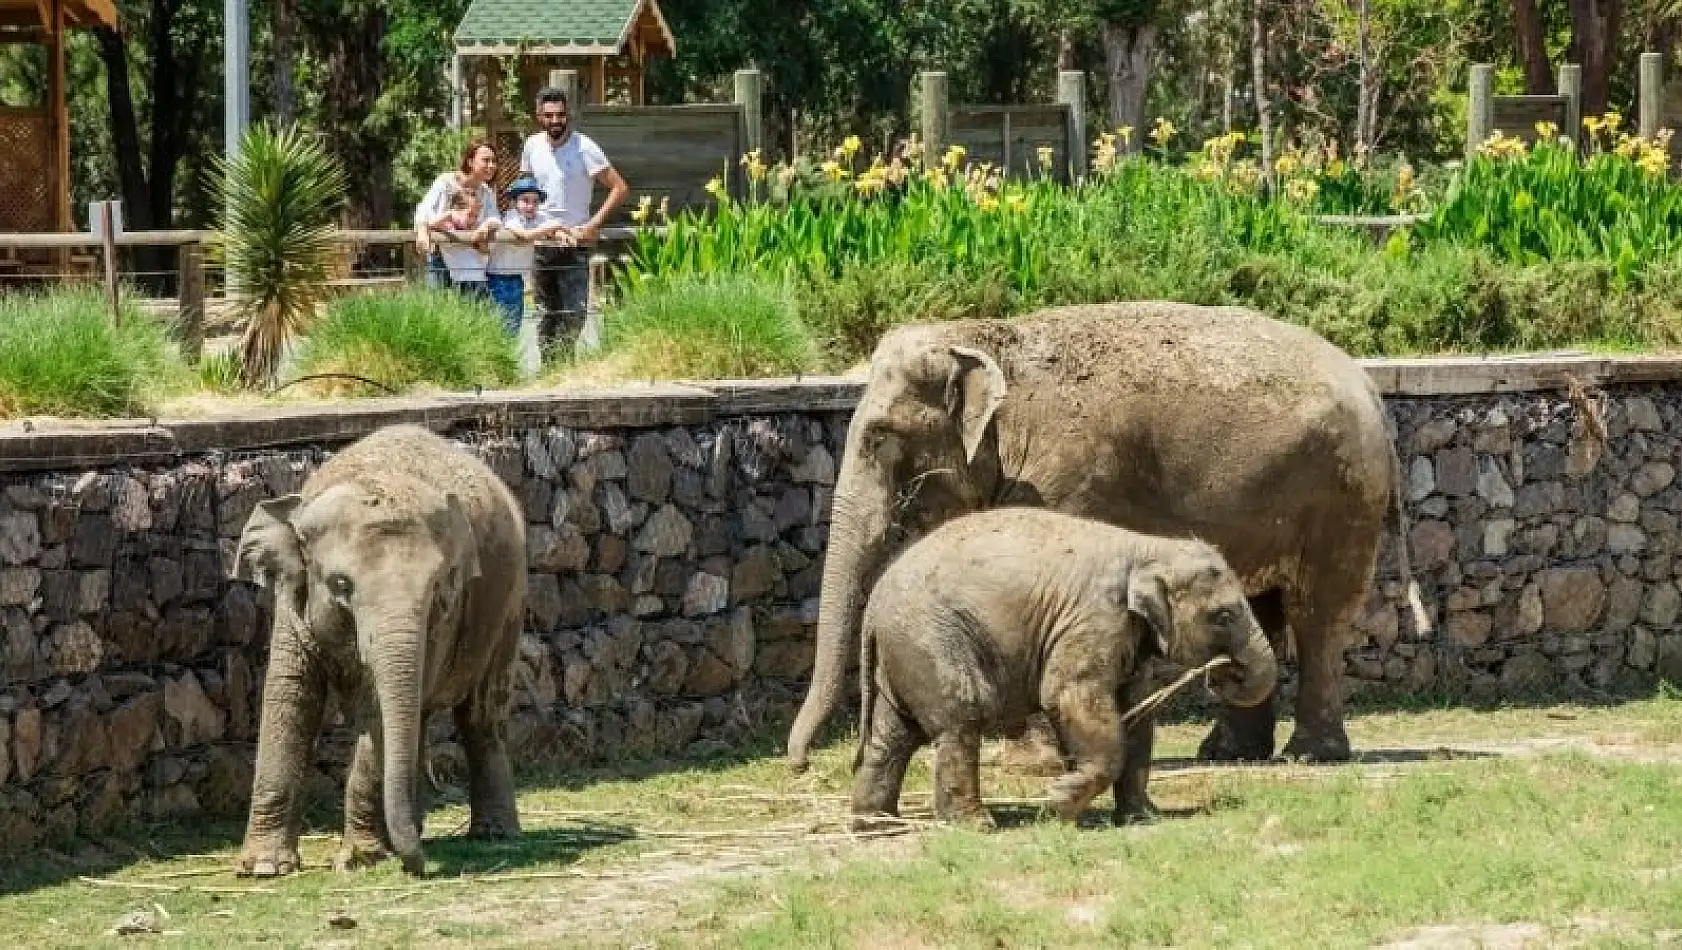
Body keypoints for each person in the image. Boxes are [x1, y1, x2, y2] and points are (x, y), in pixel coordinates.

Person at [519, 86, 630, 349]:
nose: (555, 121)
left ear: (568, 115)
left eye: (560, 115)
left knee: (574, 313)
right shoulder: (532, 145)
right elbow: (525, 191)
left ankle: (565, 364)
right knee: (545, 315)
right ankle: (549, 373)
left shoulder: (585, 147)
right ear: (539, 116)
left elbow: (620, 187)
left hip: (574, 242)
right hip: (543, 242)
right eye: (549, 116)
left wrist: (593, 225)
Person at [414, 140, 500, 288]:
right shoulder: (446, 182)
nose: (491, 165)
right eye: (486, 160)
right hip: (440, 252)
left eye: (494, 161)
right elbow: (424, 209)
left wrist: (486, 227)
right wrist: (422, 230)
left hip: (468, 257)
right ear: (470, 161)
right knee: (438, 303)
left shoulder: (486, 191)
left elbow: (495, 217)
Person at [486, 176, 560, 337]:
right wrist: (550, 228)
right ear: (513, 202)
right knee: (498, 323)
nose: (531, 205)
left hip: (516, 278)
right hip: (497, 278)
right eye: (525, 200)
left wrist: (558, 230)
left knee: (513, 324)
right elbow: (525, 236)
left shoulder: (539, 217)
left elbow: (554, 226)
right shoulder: (511, 217)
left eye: (535, 201)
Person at [425, 189, 491, 295]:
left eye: (476, 216)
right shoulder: (447, 228)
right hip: (460, 280)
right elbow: (430, 224)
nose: (473, 220)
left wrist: (479, 241)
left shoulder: (476, 228)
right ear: (456, 210)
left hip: (480, 279)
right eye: (470, 215)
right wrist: (450, 214)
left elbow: (485, 251)